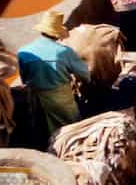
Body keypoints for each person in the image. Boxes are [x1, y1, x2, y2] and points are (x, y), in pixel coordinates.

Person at [18, 11, 90, 140]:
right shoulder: (63, 51)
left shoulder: (23, 51)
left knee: (42, 128)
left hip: (36, 98)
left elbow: (24, 78)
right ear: (57, 34)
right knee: (71, 130)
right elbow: (85, 75)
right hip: (60, 98)